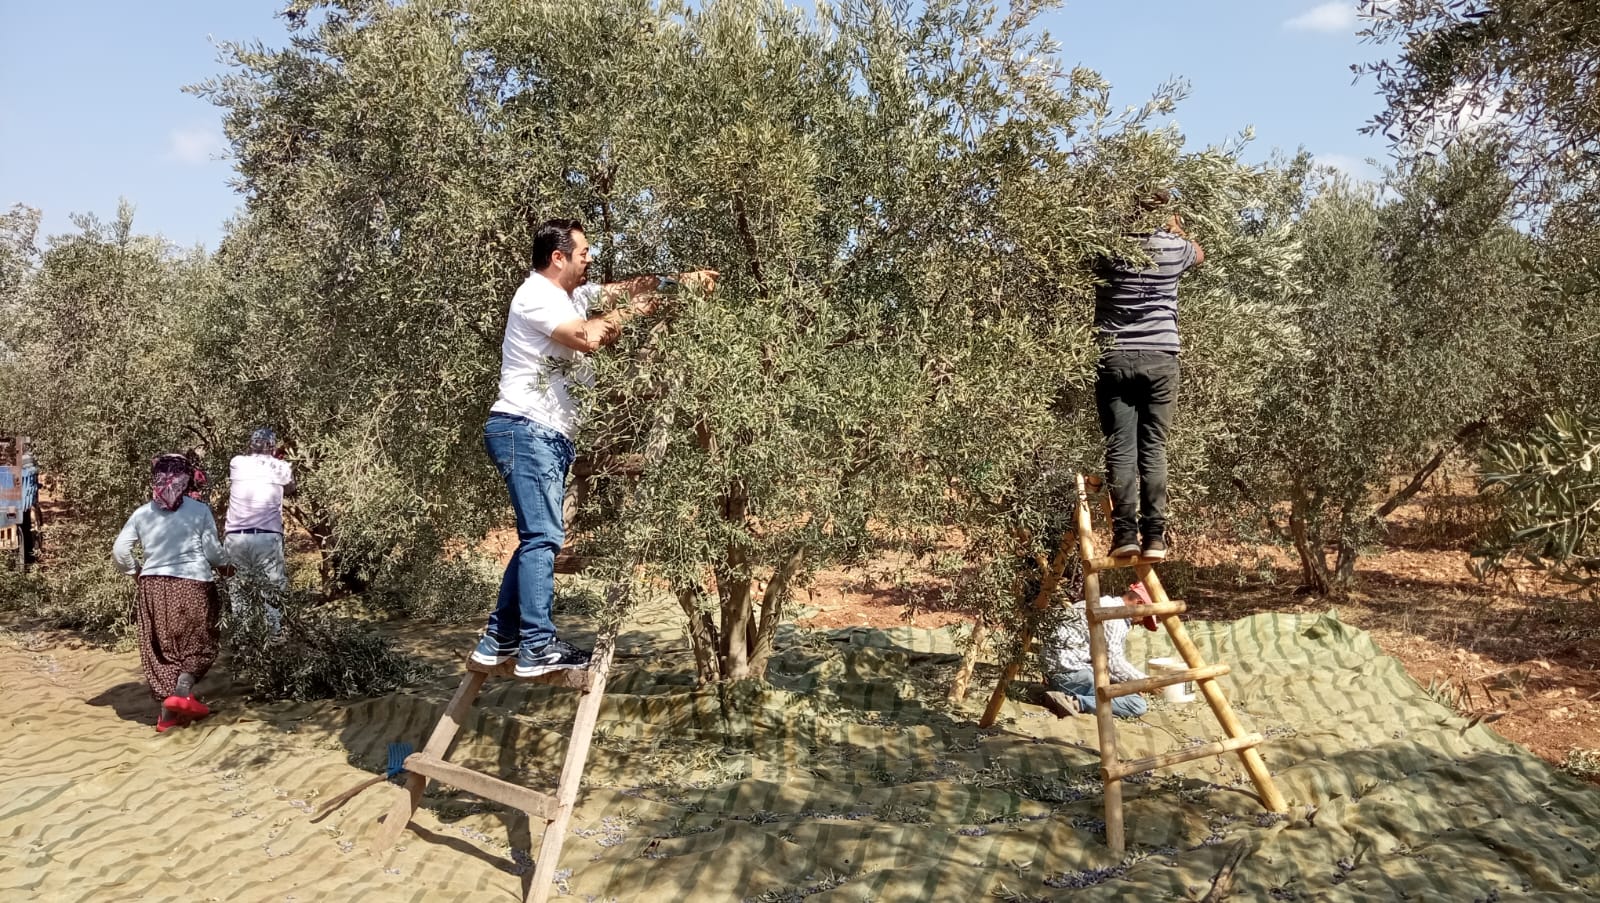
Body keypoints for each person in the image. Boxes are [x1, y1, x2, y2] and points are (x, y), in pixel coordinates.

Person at [471, 217, 717, 677]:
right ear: (558, 257)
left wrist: (677, 282)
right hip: (526, 429)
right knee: (542, 540)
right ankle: (537, 647)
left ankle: (499, 640)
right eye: (583, 253)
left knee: (535, 541)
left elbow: (620, 289)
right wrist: (639, 310)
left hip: (544, 434)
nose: (590, 260)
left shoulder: (569, 296)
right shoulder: (536, 296)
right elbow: (587, 337)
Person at [1093, 190, 1205, 559]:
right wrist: (1177, 228)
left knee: (1120, 450)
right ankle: (1155, 538)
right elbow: (1199, 253)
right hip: (1161, 358)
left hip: (1113, 358)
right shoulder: (1175, 248)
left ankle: (1125, 535)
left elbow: (1076, 249)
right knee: (1153, 448)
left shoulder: (1107, 246)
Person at [112, 454, 227, 732]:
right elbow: (212, 552)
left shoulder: (142, 513)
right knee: (199, 641)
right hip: (193, 584)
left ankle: (167, 716)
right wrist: (225, 566)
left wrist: (135, 571)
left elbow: (119, 551)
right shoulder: (198, 511)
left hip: (153, 586)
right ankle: (183, 691)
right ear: (187, 478)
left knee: (162, 648)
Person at [1039, 582, 1160, 718]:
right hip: (1068, 674)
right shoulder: (1116, 617)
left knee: (1121, 687)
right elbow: (1114, 663)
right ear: (1139, 603)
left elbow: (1104, 662)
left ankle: (1066, 693)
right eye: (1145, 617)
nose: (1141, 622)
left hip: (1057, 669)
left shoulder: (1102, 604)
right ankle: (1075, 702)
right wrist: (1146, 682)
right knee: (1136, 703)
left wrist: (1129, 684)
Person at [224, 427, 294, 631]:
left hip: (235, 537)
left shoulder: (237, 463)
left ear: (250, 445)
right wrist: (282, 464)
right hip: (267, 537)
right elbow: (291, 488)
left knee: (239, 592)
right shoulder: (281, 467)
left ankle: (245, 640)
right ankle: (274, 636)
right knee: (272, 590)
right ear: (272, 448)